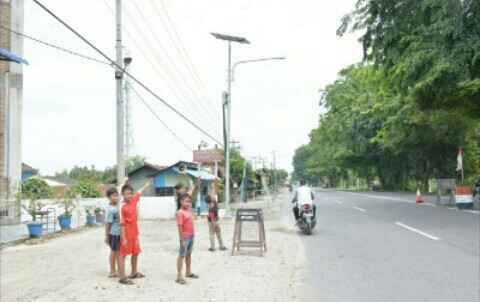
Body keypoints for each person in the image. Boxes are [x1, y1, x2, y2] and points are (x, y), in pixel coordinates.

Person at [118, 182, 150, 285]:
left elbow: (138, 193)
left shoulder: (133, 200)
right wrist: (123, 238)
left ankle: (134, 273)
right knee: (122, 254)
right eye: (128, 193)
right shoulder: (122, 206)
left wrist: (144, 186)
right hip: (126, 234)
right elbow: (122, 224)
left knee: (136, 252)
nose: (130, 195)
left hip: (134, 233)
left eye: (131, 193)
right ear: (123, 194)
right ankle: (122, 277)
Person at [176, 193, 199, 285]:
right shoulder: (180, 213)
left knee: (189, 254)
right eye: (186, 202)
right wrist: (182, 240)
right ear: (181, 202)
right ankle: (179, 276)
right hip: (185, 237)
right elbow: (180, 227)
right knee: (182, 255)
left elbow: (189, 193)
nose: (188, 203)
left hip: (191, 236)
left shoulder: (188, 209)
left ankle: (188, 272)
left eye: (189, 202)